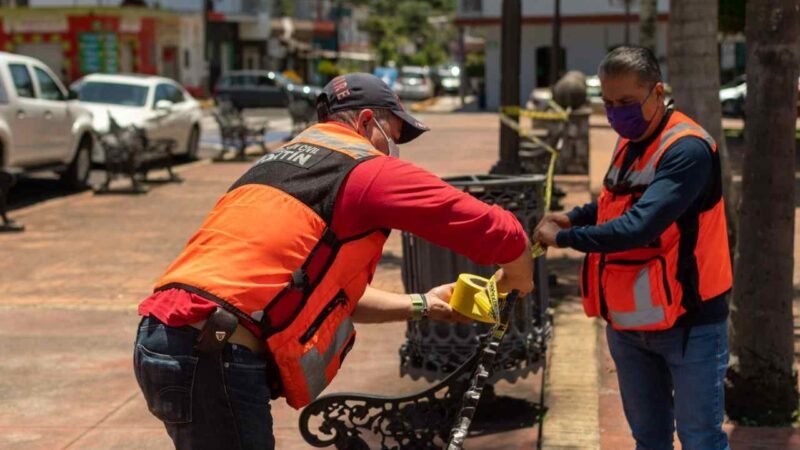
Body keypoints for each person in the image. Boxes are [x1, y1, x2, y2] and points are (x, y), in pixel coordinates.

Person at [133, 72, 534, 450]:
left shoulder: (278, 164)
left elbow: (335, 297)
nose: (392, 150)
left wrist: (425, 305)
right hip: (213, 353)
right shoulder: (362, 168)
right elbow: (498, 230)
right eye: (393, 135)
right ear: (365, 121)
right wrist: (516, 278)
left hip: (168, 340)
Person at [534, 47, 732, 450]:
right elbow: (614, 201)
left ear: (657, 92)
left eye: (625, 102)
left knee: (701, 440)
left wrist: (565, 239)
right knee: (648, 440)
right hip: (629, 322)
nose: (615, 112)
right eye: (607, 103)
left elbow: (640, 226)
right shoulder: (630, 142)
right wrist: (573, 217)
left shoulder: (687, 149)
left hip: (689, 323)